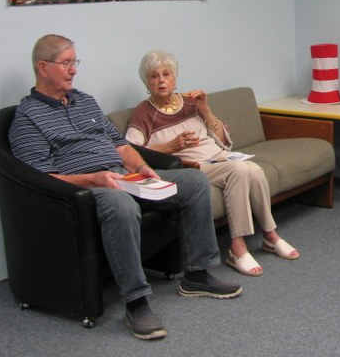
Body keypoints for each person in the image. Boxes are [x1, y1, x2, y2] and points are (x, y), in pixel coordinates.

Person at [8, 35, 242, 341]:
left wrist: (143, 168)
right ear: (42, 67)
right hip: (85, 190)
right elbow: (41, 178)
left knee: (195, 181)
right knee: (121, 203)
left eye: (74, 62)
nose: (74, 70)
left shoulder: (85, 101)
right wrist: (95, 179)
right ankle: (136, 301)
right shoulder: (27, 118)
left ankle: (197, 275)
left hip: (123, 175)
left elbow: (120, 146)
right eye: (66, 63)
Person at [125, 50, 299, 277]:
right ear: (146, 82)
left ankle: (269, 235)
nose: (161, 81)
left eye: (166, 74)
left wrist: (205, 109)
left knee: (254, 170)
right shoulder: (143, 113)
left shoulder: (190, 102)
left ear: (175, 77)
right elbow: (130, 152)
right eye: (154, 76)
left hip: (219, 157)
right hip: (193, 167)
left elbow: (223, 139)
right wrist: (170, 147)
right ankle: (238, 246)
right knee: (240, 170)